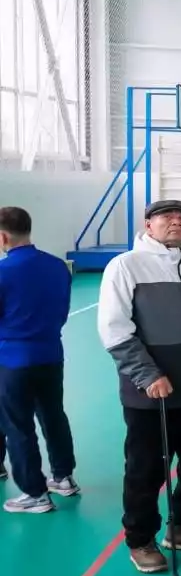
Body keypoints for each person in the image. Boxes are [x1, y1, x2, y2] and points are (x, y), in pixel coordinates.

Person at [98, 199, 181, 574]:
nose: (176, 222)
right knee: (146, 471)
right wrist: (148, 374)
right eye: (167, 216)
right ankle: (140, 539)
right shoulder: (125, 266)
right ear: (148, 224)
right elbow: (114, 329)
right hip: (151, 395)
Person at [0, 206, 76, 513]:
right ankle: (64, 477)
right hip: (51, 354)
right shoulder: (58, 266)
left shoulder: (3, 271)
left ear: (3, 237)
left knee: (18, 425)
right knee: (53, 414)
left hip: (13, 360)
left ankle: (34, 493)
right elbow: (62, 310)